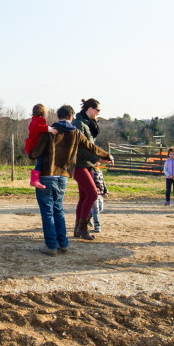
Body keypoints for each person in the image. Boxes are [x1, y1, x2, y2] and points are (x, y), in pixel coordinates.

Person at [28, 104, 112, 254]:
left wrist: (30, 148)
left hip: (46, 176)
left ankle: (51, 246)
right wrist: (107, 155)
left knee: (47, 212)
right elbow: (92, 148)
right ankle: (63, 243)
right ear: (71, 117)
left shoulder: (50, 131)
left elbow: (34, 154)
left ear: (58, 116)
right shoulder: (77, 133)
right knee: (58, 210)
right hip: (63, 177)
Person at [72, 98, 108, 240]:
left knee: (84, 196)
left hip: (88, 164)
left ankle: (77, 229)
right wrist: (98, 158)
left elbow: (91, 146)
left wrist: (100, 157)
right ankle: (82, 227)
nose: (98, 113)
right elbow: (80, 148)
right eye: (97, 110)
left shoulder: (88, 124)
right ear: (90, 109)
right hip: (79, 164)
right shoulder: (78, 124)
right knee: (93, 194)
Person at [23, 104, 50, 190]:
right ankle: (34, 180)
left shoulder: (34, 120)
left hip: (33, 144)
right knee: (40, 161)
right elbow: (39, 128)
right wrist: (49, 129)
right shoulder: (39, 121)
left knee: (40, 161)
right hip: (36, 145)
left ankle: (36, 179)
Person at [90, 166, 108, 233]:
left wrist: (105, 191)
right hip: (94, 193)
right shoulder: (91, 170)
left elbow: (102, 182)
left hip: (100, 193)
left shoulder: (99, 170)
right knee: (96, 209)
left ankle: (87, 217)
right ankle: (97, 225)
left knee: (100, 208)